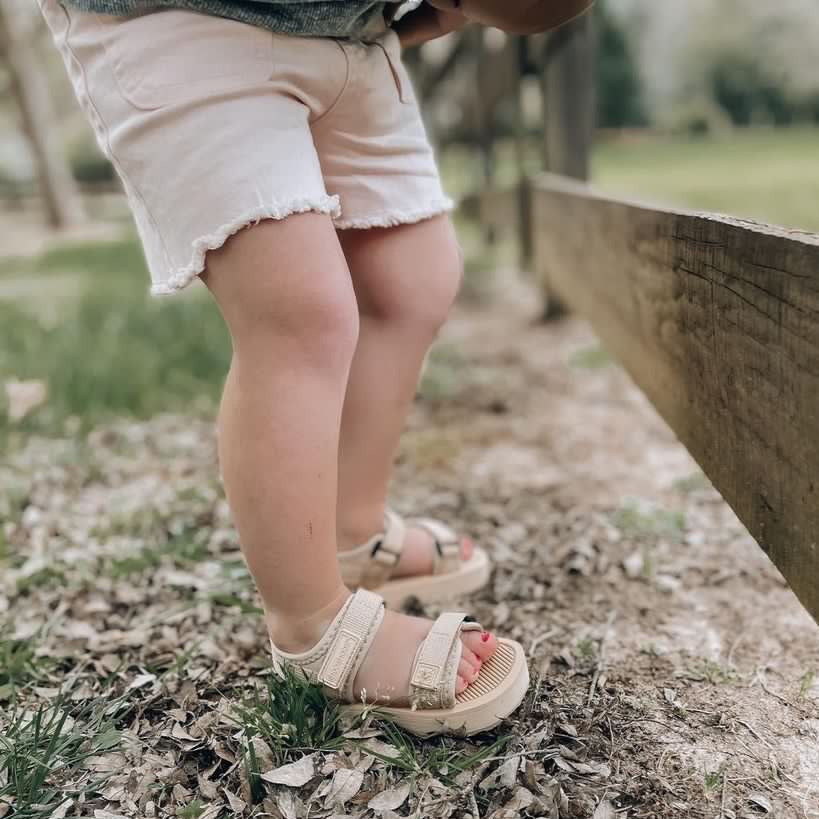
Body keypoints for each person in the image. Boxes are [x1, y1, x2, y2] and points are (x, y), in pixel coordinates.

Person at [38, 0, 590, 736]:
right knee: (299, 314)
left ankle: (350, 529)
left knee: (415, 278)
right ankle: (310, 624)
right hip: (181, 21)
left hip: (348, 32)